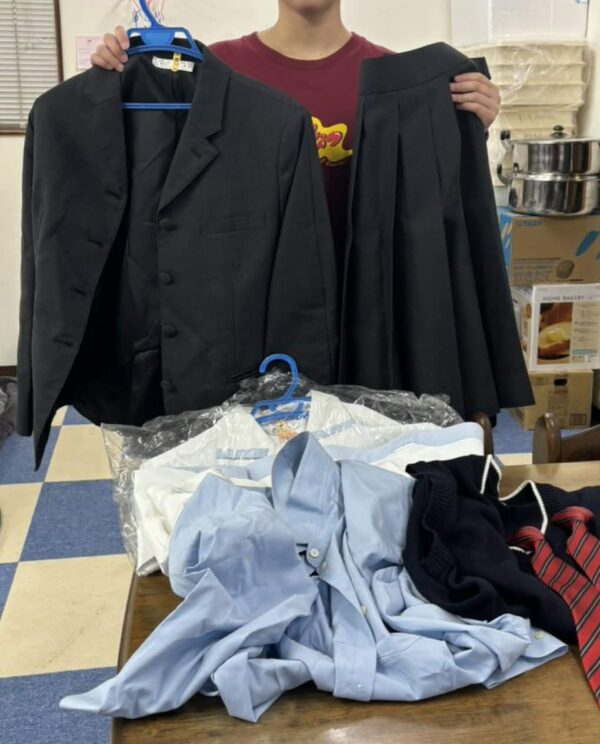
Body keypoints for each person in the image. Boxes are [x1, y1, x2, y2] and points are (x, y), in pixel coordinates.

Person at [91, 0, 501, 262]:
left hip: (365, 310)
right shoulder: (214, 70)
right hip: (250, 311)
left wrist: (468, 127)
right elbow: (162, 172)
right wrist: (120, 79)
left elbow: (426, 198)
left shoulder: (396, 79)